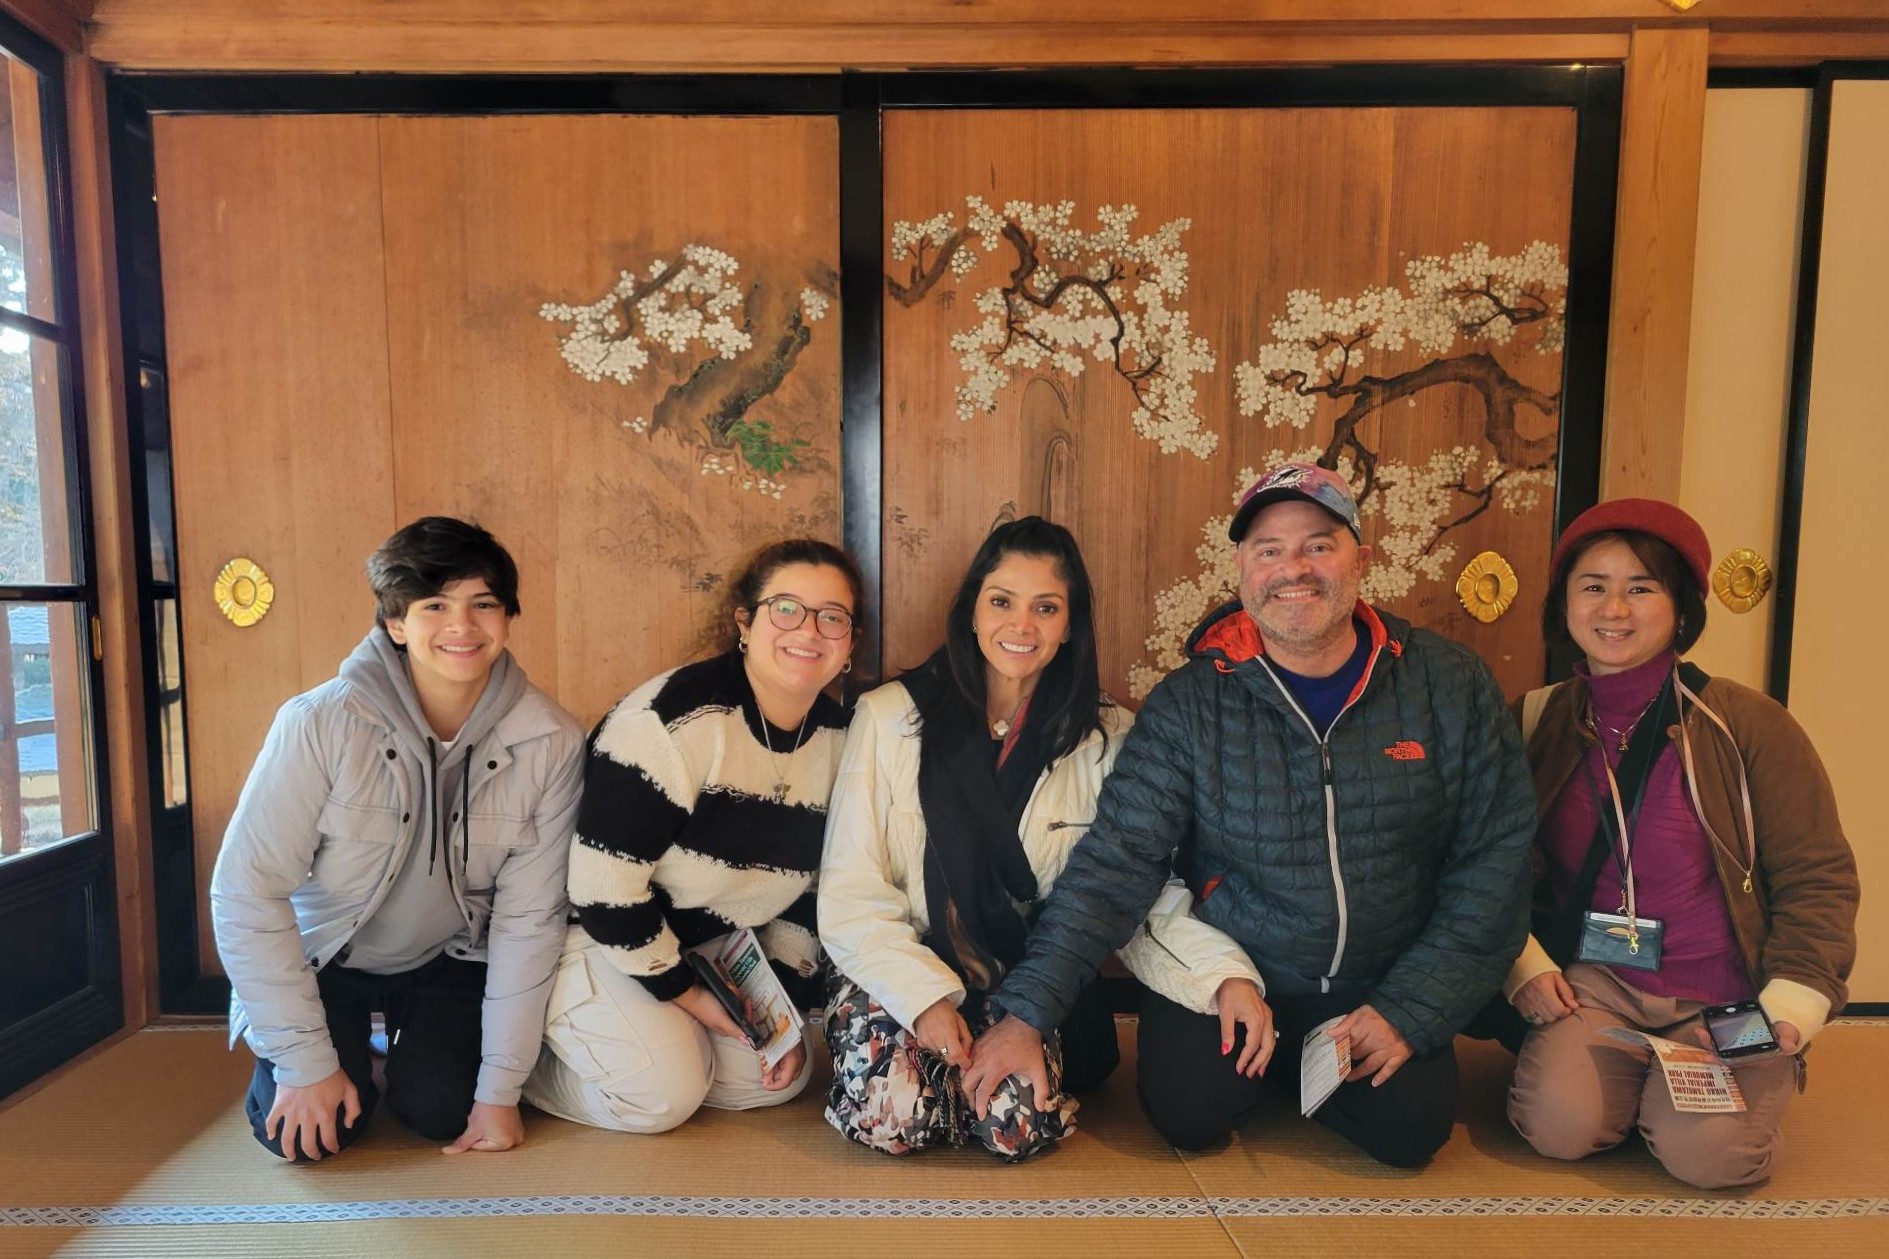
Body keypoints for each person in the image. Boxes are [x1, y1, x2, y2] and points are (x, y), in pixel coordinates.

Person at [961, 463, 1537, 1168]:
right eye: (1269, 549)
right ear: (1241, 567)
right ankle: (1273, 1066)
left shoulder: (1449, 683)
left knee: (1410, 1133)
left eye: (1318, 545)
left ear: (1360, 557)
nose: (1292, 569)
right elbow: (1115, 865)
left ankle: (1305, 1065)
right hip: (1235, 971)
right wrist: (1025, 1015)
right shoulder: (1189, 702)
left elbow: (1495, 861)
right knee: (1187, 1112)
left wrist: (1407, 1011)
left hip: (1379, 979)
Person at [819, 517, 1263, 1161]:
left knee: (1014, 1130)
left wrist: (1221, 975)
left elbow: (1133, 890)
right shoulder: (890, 716)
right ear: (972, 611)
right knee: (896, 1118)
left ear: (1070, 624)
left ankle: (968, 1084)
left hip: (1021, 984)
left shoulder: (1108, 737)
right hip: (897, 967)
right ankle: (922, 1079)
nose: (1021, 626)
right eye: (1002, 601)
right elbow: (851, 889)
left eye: (1046, 608)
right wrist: (925, 1002)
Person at [1503, 498, 1858, 1188]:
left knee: (1712, 1158)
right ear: (1564, 603)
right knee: (1558, 1127)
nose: (1614, 609)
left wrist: (1787, 1008)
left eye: (1641, 588)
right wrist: (1522, 966)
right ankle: (1633, 1089)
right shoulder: (1536, 718)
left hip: (1729, 998)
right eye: (1593, 585)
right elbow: (1492, 863)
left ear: (1681, 609)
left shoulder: (1746, 723)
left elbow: (1818, 877)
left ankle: (1700, 1095)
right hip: (1596, 987)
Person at [213, 516, 586, 1162]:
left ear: (506, 618)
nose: (461, 626)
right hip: (329, 953)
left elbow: (529, 920)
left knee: (443, 1111)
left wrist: (500, 1090)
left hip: (451, 953)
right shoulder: (318, 722)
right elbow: (246, 892)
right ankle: (338, 1046)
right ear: (394, 622)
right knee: (305, 1137)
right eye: (434, 605)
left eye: (482, 604)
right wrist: (304, 1063)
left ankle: (404, 1052)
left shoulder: (551, 740)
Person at [523, 539, 861, 1132]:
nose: (809, 631)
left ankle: (657, 1044)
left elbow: (812, 892)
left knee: (776, 1079)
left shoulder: (841, 737)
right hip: (597, 935)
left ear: (850, 642)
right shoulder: (674, 719)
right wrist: (691, 999)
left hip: (709, 948)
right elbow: (604, 890)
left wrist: (779, 1001)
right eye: (786, 609)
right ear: (745, 623)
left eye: (832, 616)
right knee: (663, 1098)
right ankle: (528, 1066)